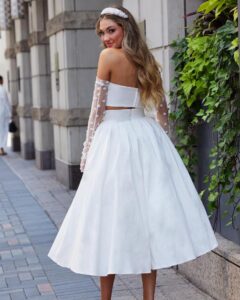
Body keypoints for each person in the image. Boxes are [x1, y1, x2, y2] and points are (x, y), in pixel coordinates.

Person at [48, 5, 218, 300]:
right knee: (147, 222)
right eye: (101, 33)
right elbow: (162, 110)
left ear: (126, 29)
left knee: (108, 220)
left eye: (110, 30)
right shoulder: (146, 60)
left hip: (113, 140)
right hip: (144, 136)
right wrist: (161, 144)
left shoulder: (108, 58)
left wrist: (87, 150)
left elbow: (96, 110)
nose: (105, 38)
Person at [0, 75, 11, 156]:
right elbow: (6, 102)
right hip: (3, 113)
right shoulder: (2, 89)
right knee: (3, 130)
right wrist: (10, 113)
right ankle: (2, 149)